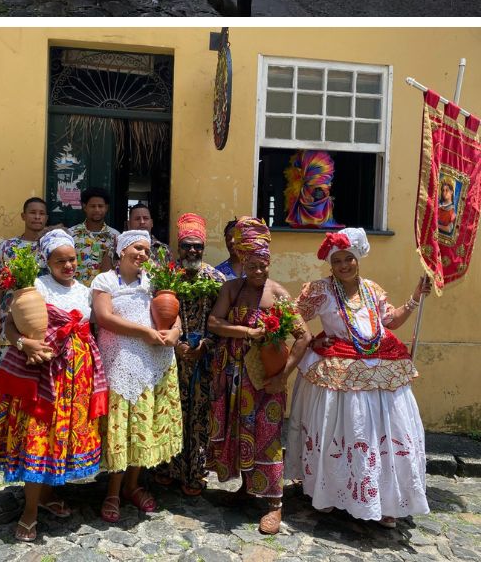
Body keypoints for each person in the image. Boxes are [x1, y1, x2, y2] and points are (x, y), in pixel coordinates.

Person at [285, 228, 431, 527]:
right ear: (330, 264)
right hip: (338, 373)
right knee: (343, 432)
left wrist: (415, 299)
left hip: (380, 367)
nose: (343, 266)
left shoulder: (372, 290)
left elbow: (390, 321)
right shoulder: (320, 290)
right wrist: (311, 340)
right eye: (337, 260)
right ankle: (329, 492)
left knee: (381, 435)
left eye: (348, 259)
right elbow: (292, 314)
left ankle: (385, 499)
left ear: (357, 259)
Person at [0, 229, 107, 543]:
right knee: (37, 436)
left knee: (59, 438)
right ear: (46, 261)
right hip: (41, 375)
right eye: (60, 260)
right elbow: (11, 325)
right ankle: (29, 512)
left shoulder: (85, 291)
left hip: (75, 377)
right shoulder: (35, 287)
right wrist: (24, 345)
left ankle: (47, 496)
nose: (68, 265)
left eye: (72, 259)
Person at [207, 217, 311, 535]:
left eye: (263, 265)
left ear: (269, 263)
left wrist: (284, 376)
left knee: (267, 435)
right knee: (239, 432)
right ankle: (246, 489)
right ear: (243, 261)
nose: (258, 272)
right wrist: (247, 331)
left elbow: (303, 336)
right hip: (234, 376)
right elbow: (214, 322)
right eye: (252, 265)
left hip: (265, 379)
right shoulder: (231, 288)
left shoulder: (277, 294)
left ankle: (274, 503)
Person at [91, 229, 182, 518]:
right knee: (122, 427)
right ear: (121, 251)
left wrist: (176, 332)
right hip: (120, 362)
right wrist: (146, 331)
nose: (142, 254)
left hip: (153, 361)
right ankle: (113, 492)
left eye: (146, 250)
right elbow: (104, 317)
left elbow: (174, 312)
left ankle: (132, 485)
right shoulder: (105, 280)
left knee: (144, 423)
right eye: (136, 248)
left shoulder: (153, 282)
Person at [160, 213, 224, 495]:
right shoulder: (166, 277)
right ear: (178, 246)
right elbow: (156, 317)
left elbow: (221, 320)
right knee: (171, 412)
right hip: (171, 356)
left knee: (199, 415)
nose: (192, 251)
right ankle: (169, 469)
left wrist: (205, 345)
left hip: (204, 359)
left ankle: (196, 472)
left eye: (197, 246)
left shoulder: (216, 278)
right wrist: (177, 345)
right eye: (187, 245)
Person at [0, 197, 48, 342]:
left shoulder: (51, 247)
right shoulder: (8, 246)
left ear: (46, 217)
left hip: (43, 313)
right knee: (9, 357)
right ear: (23, 216)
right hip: (10, 313)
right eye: (32, 212)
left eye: (41, 213)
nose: (37, 217)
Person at [70, 186, 122, 285]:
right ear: (85, 207)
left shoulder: (115, 236)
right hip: (76, 293)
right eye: (93, 206)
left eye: (100, 206)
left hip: (104, 292)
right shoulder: (71, 234)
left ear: (106, 208)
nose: (97, 209)